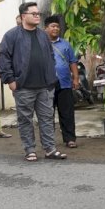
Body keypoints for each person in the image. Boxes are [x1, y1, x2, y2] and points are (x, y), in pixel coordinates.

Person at [0, 2, 66, 162]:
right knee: (25, 119)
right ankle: (30, 150)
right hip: (23, 86)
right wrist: (10, 80)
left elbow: (50, 55)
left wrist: (51, 75)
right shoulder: (12, 35)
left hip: (45, 86)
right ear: (23, 16)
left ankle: (50, 149)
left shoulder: (43, 35)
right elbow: (3, 58)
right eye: (33, 13)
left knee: (47, 118)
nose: (37, 16)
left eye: (38, 13)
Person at [44, 15, 80, 148]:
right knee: (47, 114)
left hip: (64, 83)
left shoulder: (65, 44)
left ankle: (70, 139)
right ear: (45, 28)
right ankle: (49, 141)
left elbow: (73, 62)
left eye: (57, 27)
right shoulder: (41, 44)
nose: (56, 29)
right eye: (52, 26)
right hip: (46, 84)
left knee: (67, 113)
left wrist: (76, 78)